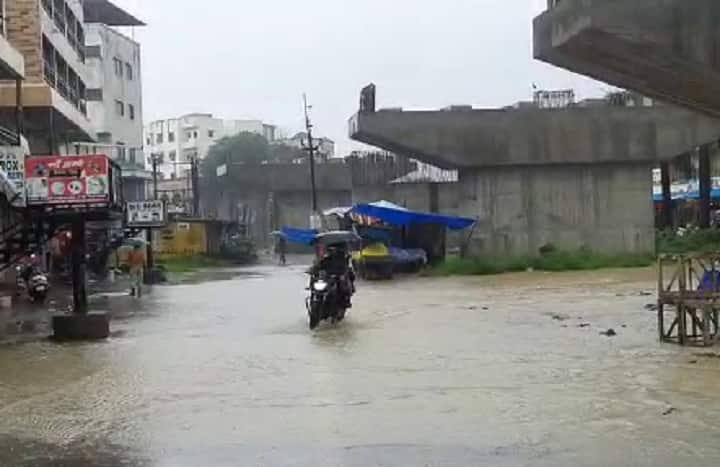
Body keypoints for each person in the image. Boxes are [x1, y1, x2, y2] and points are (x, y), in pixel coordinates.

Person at [309, 243, 355, 307]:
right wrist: (312, 271)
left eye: (334, 250)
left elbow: (347, 270)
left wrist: (343, 273)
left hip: (338, 277)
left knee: (342, 286)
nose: (332, 251)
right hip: (327, 279)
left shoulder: (343, 259)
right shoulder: (325, 259)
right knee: (315, 286)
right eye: (330, 250)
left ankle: (344, 302)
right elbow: (318, 267)